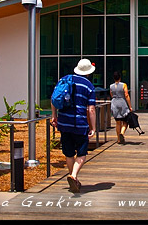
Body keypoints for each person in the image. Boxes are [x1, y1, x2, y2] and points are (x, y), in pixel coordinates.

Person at [51, 58, 96, 194]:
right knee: (81, 153)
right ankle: (74, 176)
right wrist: (93, 127)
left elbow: (54, 99)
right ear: (88, 72)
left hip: (64, 123)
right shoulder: (89, 86)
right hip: (80, 124)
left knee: (69, 153)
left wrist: (54, 116)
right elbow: (91, 109)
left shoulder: (64, 79)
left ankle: (73, 178)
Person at [110, 71, 132, 144]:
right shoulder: (123, 85)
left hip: (114, 103)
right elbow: (126, 94)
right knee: (125, 121)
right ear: (120, 77)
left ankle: (119, 139)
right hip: (122, 102)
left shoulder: (111, 86)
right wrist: (130, 106)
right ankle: (122, 133)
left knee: (118, 122)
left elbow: (111, 94)